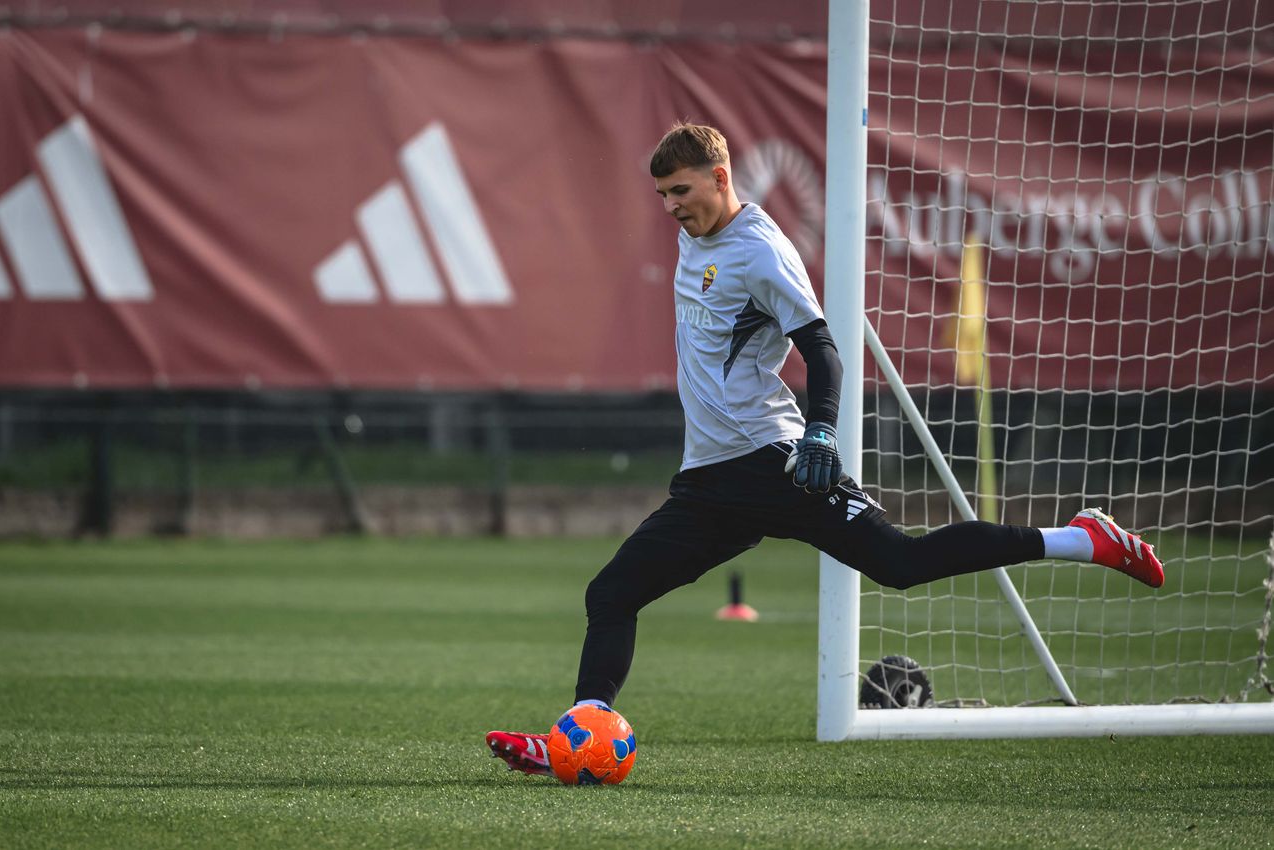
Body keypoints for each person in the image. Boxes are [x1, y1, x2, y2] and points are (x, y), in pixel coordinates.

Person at [486, 122, 1163, 775]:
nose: (670, 208)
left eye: (681, 192)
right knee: (611, 592)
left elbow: (822, 350)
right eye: (661, 196)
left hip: (771, 462)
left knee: (897, 563)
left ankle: (1081, 539)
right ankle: (578, 736)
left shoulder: (760, 252)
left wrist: (821, 432)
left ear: (719, 178)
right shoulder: (698, 236)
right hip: (711, 481)